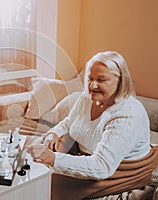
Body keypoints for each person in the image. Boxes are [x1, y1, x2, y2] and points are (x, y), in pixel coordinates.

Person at [27, 51, 158, 199]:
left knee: (48, 184)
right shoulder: (86, 98)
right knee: (34, 170)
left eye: (101, 79)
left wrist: (53, 159)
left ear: (121, 81)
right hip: (90, 156)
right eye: (90, 78)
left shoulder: (127, 114)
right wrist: (54, 133)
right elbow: (69, 122)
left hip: (121, 170)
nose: (93, 85)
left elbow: (102, 166)